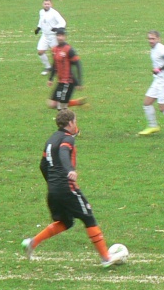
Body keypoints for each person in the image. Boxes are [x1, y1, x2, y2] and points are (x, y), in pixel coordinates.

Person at [22, 109, 123, 267]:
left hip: (53, 190)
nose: (76, 125)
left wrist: (53, 183)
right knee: (88, 217)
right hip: (67, 187)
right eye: (75, 121)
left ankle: (32, 242)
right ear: (70, 123)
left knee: (66, 222)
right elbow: (64, 151)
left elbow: (43, 165)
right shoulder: (67, 138)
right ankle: (106, 258)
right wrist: (69, 170)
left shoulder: (51, 140)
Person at [46, 28, 86, 110]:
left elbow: (78, 65)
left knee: (61, 108)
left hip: (68, 82)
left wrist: (79, 82)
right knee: (52, 104)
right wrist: (51, 79)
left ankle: (70, 117)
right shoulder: (54, 49)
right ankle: (77, 102)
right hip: (60, 82)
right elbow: (54, 65)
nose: (60, 37)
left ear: (65, 37)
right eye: (58, 35)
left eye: (62, 35)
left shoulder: (69, 50)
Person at [35, 0, 66, 75]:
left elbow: (63, 22)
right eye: (45, 4)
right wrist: (38, 28)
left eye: (48, 4)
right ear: (43, 4)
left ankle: (60, 68)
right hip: (44, 35)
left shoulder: (54, 13)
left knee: (56, 53)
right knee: (40, 52)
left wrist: (56, 27)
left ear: (51, 5)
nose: (46, 5)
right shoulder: (41, 12)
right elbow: (41, 20)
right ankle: (48, 67)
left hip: (53, 36)